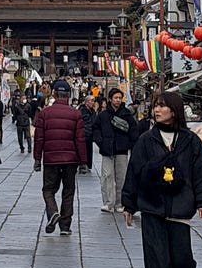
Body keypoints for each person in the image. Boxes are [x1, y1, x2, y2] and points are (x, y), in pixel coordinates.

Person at [122, 91, 202, 268]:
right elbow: (134, 171)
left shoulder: (189, 140)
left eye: (163, 107)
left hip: (180, 207)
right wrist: (129, 204)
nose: (157, 110)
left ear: (174, 111)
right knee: (156, 259)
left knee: (183, 259)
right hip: (152, 206)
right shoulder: (146, 139)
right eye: (156, 106)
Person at [34, 80, 87, 235]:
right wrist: (83, 162)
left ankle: (52, 211)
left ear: (54, 94)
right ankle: (65, 226)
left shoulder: (45, 113)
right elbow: (80, 139)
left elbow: (39, 138)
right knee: (68, 191)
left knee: (48, 189)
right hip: (71, 160)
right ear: (69, 95)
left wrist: (37, 159)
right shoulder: (76, 114)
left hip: (51, 159)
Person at [94, 87, 141, 213]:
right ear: (110, 99)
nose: (118, 100)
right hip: (107, 149)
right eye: (115, 98)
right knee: (107, 176)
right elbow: (96, 129)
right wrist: (101, 142)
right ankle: (108, 203)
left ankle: (120, 203)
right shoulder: (103, 115)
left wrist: (130, 144)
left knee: (122, 177)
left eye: (120, 98)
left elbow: (134, 130)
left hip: (122, 150)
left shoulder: (127, 114)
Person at [79, 96, 99, 175]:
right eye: (91, 101)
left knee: (88, 150)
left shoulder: (92, 111)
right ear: (87, 102)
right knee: (83, 150)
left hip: (90, 134)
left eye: (93, 101)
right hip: (84, 133)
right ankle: (82, 165)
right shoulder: (82, 110)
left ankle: (87, 165)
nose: (93, 103)